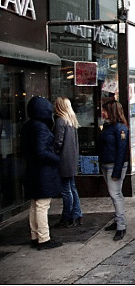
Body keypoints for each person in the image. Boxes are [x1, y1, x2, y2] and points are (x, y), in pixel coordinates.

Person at [21, 96, 62, 250]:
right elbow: (41, 151)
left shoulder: (28, 125)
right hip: (43, 172)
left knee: (34, 204)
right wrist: (57, 158)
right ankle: (44, 238)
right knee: (42, 205)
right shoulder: (41, 127)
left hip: (31, 170)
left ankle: (35, 235)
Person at [98, 99, 129, 241]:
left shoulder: (120, 128)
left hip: (114, 165)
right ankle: (118, 221)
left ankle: (121, 226)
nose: (102, 112)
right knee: (114, 194)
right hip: (106, 164)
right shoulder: (108, 126)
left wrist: (117, 171)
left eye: (104, 110)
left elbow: (122, 151)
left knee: (115, 194)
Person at [53, 97, 82, 228]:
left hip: (64, 160)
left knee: (66, 190)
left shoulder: (60, 121)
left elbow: (58, 142)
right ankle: (76, 215)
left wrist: (53, 151)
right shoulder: (71, 121)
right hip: (72, 159)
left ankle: (67, 217)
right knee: (72, 188)